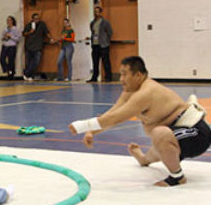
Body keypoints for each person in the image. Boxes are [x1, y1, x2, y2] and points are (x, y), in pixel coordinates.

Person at [69, 56, 211, 187]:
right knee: (160, 142)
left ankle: (177, 177)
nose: (121, 79)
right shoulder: (130, 91)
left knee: (159, 134)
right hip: (174, 134)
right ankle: (143, 159)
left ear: (138, 75)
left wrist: (81, 126)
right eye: (120, 74)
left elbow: (116, 118)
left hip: (196, 134)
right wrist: (92, 132)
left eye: (125, 74)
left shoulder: (146, 92)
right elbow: (113, 112)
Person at [22, 13, 53, 81]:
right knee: (28, 62)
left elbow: (47, 32)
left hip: (38, 46)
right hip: (29, 46)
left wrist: (50, 38)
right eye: (35, 19)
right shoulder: (29, 25)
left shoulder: (42, 24)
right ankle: (29, 76)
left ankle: (26, 73)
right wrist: (30, 32)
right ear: (32, 19)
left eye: (38, 19)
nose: (37, 20)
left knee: (36, 62)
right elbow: (24, 33)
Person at [88, 6, 114, 82]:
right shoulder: (92, 23)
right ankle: (94, 77)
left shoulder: (105, 22)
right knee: (95, 62)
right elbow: (92, 32)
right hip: (95, 45)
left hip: (103, 45)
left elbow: (110, 32)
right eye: (95, 12)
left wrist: (106, 41)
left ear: (101, 13)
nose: (96, 13)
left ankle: (108, 77)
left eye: (98, 11)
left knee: (105, 62)